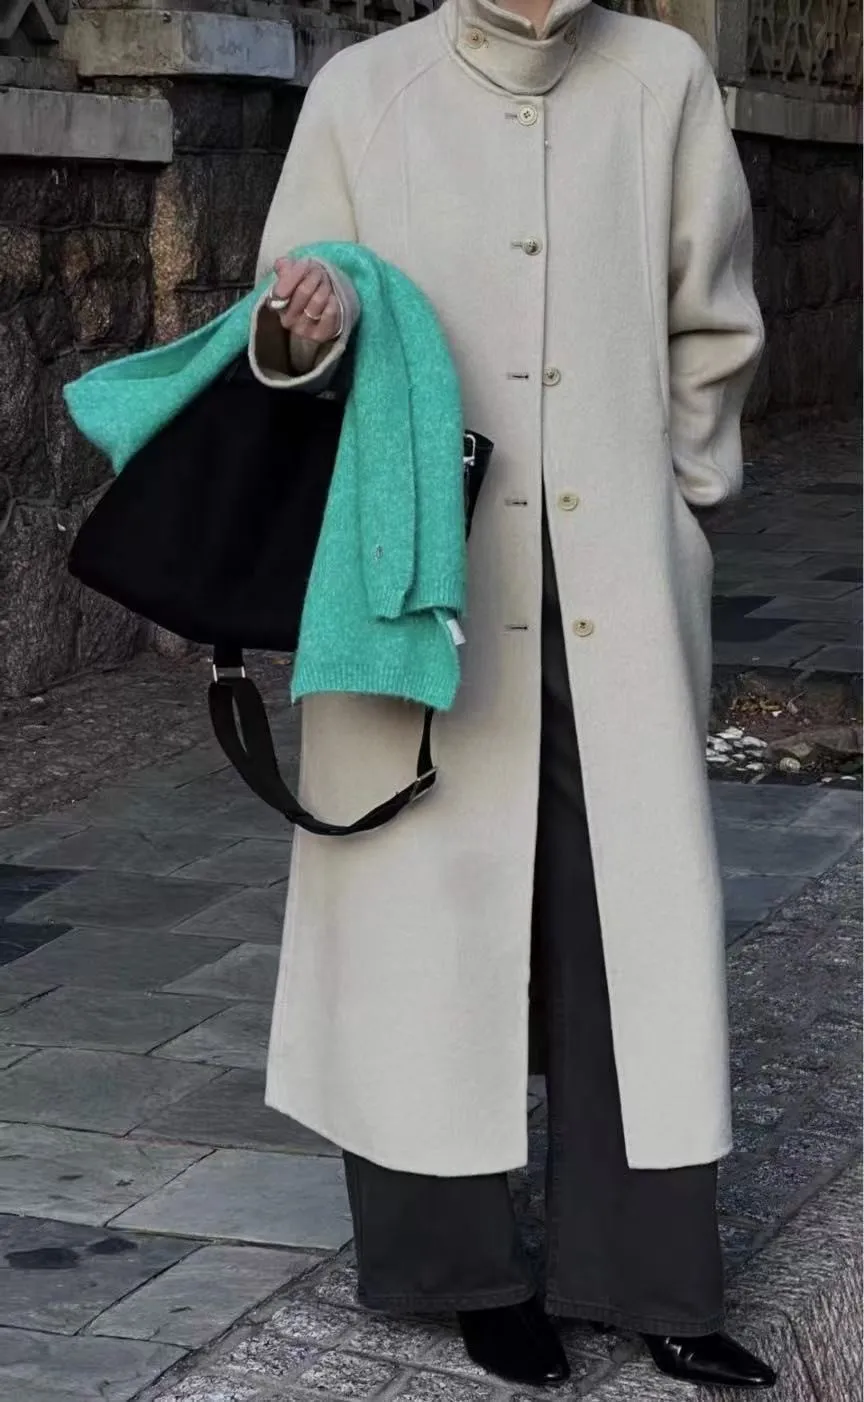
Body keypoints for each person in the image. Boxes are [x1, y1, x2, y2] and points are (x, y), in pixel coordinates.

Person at [249, 0, 776, 1389]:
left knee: (629, 913)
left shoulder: (662, 76)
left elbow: (712, 321)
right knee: (424, 907)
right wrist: (311, 323)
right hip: (419, 573)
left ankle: (654, 1276)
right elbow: (289, 316)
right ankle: (461, 1271)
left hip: (615, 575)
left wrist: (680, 501)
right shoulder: (366, 90)